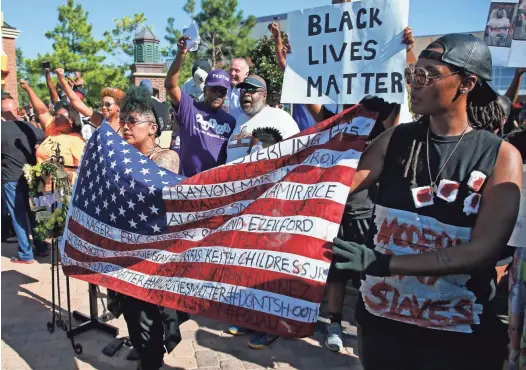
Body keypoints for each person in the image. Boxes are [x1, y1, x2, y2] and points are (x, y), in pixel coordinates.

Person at [330, 33, 522, 369]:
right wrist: (352, 127)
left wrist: (385, 263)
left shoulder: (501, 156)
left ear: (467, 83)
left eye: (427, 75)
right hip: (383, 328)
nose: (413, 84)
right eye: (411, 75)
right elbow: (336, 189)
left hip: (455, 337)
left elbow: (481, 251)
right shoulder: (395, 139)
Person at [107, 86, 184, 370]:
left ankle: (151, 362)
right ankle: (145, 355)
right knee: (131, 313)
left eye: (132, 121)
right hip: (126, 252)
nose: (125, 126)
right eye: (123, 120)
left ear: (152, 128)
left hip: (152, 257)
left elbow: (152, 189)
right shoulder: (124, 158)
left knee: (148, 318)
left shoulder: (165, 157)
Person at [164, 35, 236, 177]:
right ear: (205, 89)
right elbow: (170, 86)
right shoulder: (189, 108)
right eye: (214, 89)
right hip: (188, 185)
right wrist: (180, 54)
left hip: (215, 188)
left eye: (222, 91)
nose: (218, 94)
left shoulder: (231, 121)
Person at [1, 96, 48, 263]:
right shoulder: (28, 126)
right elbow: (43, 139)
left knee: (18, 216)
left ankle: (25, 254)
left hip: (10, 178)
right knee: (35, 213)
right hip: (31, 176)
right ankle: (42, 247)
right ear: (16, 109)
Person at [225, 74, 299, 163]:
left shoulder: (280, 116)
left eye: (252, 90)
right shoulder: (238, 120)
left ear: (264, 95)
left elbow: (296, 148)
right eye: (243, 90)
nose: (246, 93)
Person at [54, 68, 124, 135]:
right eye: (102, 104)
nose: (103, 107)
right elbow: (77, 103)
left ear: (118, 106)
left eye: (108, 104)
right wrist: (62, 79)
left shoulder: (128, 125)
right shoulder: (101, 121)